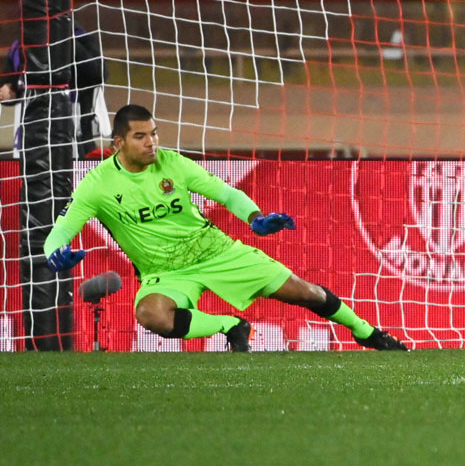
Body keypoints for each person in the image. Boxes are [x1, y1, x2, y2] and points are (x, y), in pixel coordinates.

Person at [43, 104, 407, 352]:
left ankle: (368, 333)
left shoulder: (174, 164)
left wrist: (254, 217)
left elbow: (226, 193)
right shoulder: (98, 184)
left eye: (154, 133)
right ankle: (229, 326)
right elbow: (64, 227)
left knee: (305, 293)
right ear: (118, 143)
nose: (152, 142)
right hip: (164, 273)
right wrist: (54, 252)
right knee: (151, 314)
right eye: (141, 136)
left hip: (215, 251)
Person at [1, 28, 111, 157]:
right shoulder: (20, 45)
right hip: (31, 133)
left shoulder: (79, 38)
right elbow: (10, 84)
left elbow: (99, 74)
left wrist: (65, 40)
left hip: (75, 132)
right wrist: (9, 90)